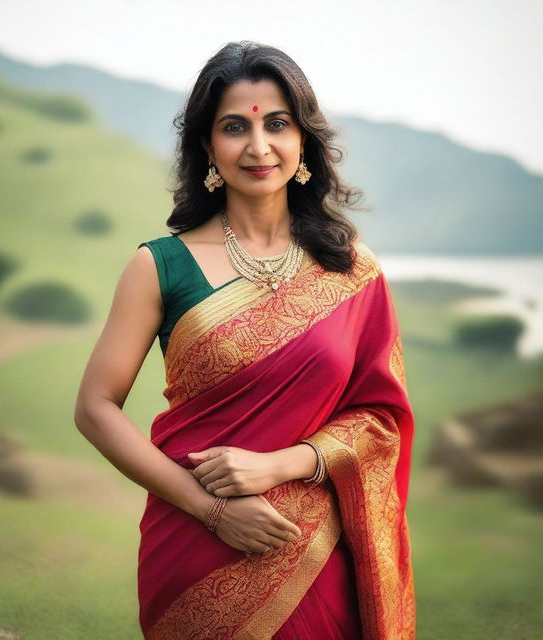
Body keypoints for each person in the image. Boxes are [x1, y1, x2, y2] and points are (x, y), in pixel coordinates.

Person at [74, 40, 415, 640]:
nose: (259, 147)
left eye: (278, 124)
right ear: (208, 145)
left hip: (314, 548)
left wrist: (281, 464)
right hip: (193, 541)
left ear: (303, 139)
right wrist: (212, 511)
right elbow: (95, 409)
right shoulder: (160, 266)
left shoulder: (352, 274)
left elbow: (381, 419)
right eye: (236, 127)